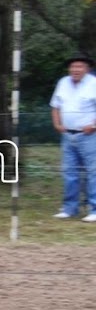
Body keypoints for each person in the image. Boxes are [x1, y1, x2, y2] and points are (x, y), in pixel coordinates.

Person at [50, 52, 96, 221]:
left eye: (80, 66)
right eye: (73, 66)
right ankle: (70, 208)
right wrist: (57, 124)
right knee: (70, 172)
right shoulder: (63, 83)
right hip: (68, 135)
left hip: (90, 135)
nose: (76, 69)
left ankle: (94, 209)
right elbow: (55, 106)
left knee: (93, 172)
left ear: (87, 68)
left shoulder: (94, 83)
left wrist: (94, 125)